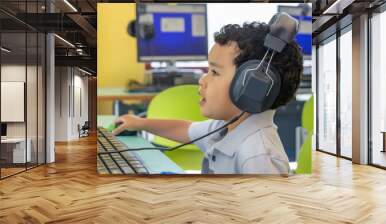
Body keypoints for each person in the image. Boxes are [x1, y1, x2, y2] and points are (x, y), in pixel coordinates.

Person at [112, 22, 303, 174]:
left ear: (253, 88)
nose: (202, 80)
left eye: (214, 72)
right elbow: (185, 129)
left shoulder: (259, 156)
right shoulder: (226, 127)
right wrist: (138, 123)